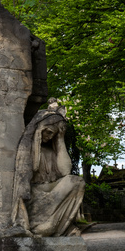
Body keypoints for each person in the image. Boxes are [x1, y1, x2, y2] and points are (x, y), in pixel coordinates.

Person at [10, 100, 84, 237]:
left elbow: (65, 172)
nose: (50, 137)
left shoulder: (51, 151)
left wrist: (60, 139)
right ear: (39, 129)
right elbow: (24, 184)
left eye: (53, 135)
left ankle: (53, 225)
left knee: (77, 182)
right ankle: (44, 225)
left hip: (50, 191)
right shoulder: (27, 150)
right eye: (48, 132)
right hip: (35, 196)